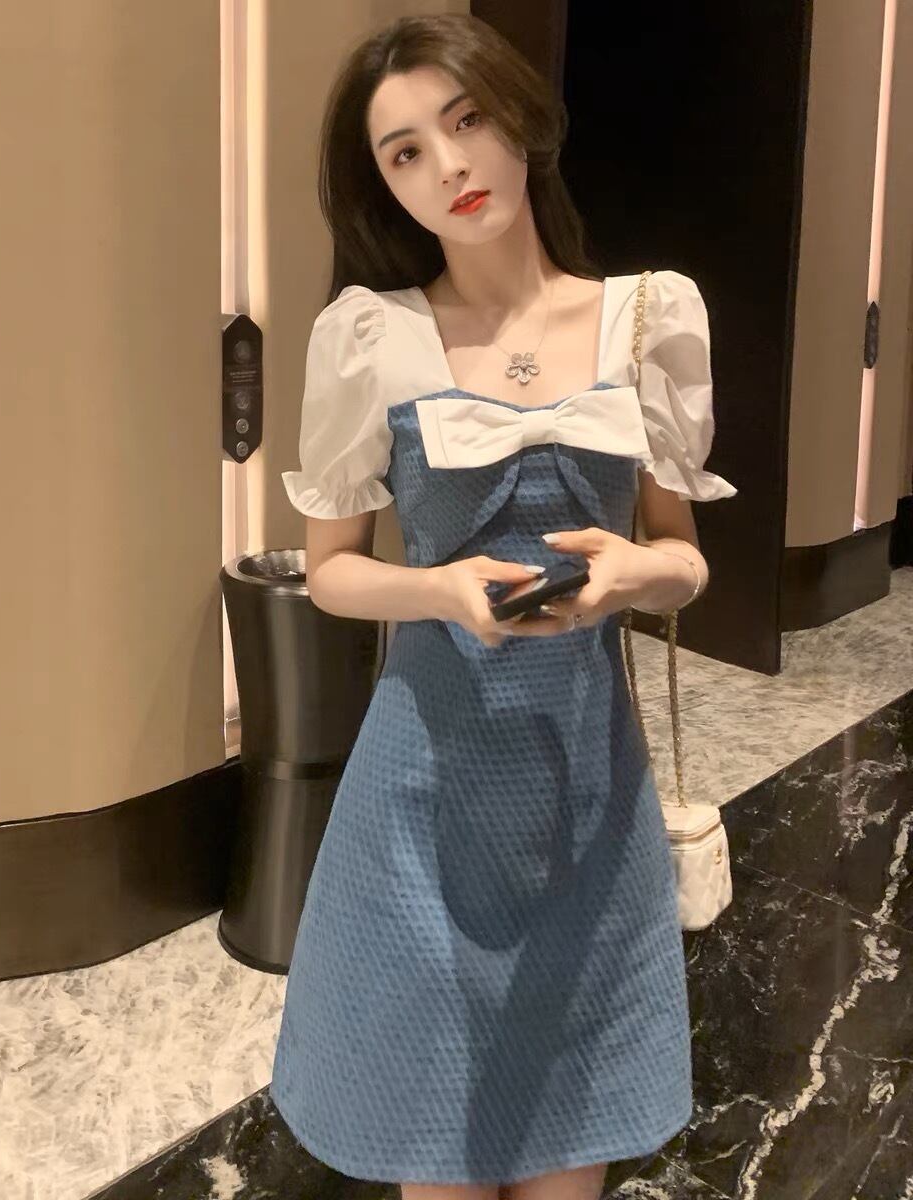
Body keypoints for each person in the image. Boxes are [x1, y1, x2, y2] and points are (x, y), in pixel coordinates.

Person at [268, 13, 737, 1200]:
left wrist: (633, 573)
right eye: (404, 151)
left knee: (572, 1141)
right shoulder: (372, 338)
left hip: (589, 798)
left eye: (466, 120)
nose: (449, 166)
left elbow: (686, 561)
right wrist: (437, 590)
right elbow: (330, 571)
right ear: (383, 184)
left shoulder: (646, 320)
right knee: (439, 1151)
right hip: (422, 797)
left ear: (521, 118)